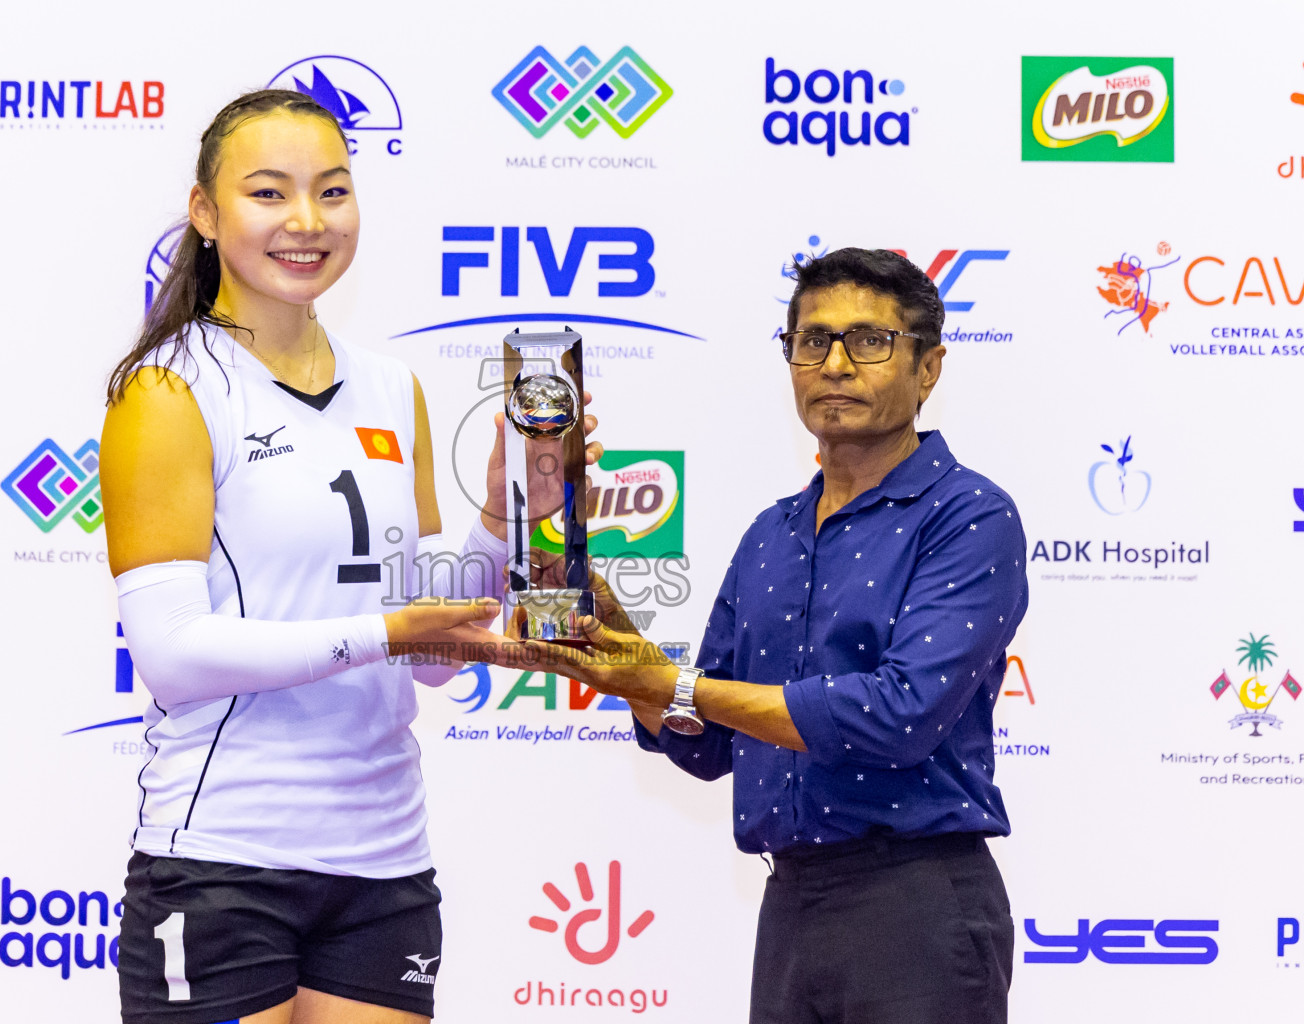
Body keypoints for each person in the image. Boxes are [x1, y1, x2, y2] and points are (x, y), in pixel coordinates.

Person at [99, 89, 597, 1024]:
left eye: (332, 192)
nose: (305, 221)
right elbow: (170, 653)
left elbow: (428, 654)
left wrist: (504, 512)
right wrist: (384, 630)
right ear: (205, 214)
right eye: (268, 193)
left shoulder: (388, 385)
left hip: (383, 863)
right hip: (223, 858)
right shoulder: (168, 389)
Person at [497, 247, 1027, 1024]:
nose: (836, 364)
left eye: (869, 340)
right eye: (812, 342)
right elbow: (705, 742)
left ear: (929, 367)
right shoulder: (769, 536)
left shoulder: (969, 516)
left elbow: (898, 714)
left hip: (916, 905)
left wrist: (662, 681)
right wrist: (622, 647)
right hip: (790, 910)